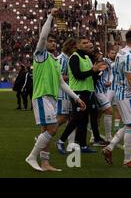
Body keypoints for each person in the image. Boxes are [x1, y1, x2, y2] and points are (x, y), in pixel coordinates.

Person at [25, 9, 86, 172]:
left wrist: (76, 98)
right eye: (50, 41)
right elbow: (43, 36)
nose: (52, 43)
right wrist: (51, 16)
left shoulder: (54, 60)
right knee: (53, 129)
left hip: (51, 98)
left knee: (46, 131)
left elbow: (61, 83)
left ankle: (45, 163)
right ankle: (32, 157)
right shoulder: (40, 54)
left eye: (54, 42)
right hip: (42, 96)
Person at [102, 30, 131, 168]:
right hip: (127, 95)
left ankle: (110, 147)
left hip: (119, 93)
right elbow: (130, 77)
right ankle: (127, 160)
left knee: (130, 124)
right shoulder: (127, 55)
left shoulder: (121, 52)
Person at [56, 37, 107, 154]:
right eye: (84, 43)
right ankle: (60, 141)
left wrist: (99, 71)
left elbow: (92, 76)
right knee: (76, 118)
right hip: (78, 92)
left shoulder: (87, 58)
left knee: (83, 120)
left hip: (88, 92)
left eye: (88, 42)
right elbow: (78, 75)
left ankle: (83, 145)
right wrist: (93, 70)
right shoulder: (74, 57)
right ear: (78, 45)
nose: (87, 44)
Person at [56, 38, 77, 145]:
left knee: (71, 118)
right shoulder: (61, 59)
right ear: (69, 47)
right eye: (74, 47)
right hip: (62, 93)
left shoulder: (67, 58)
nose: (75, 49)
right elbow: (57, 77)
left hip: (68, 92)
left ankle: (71, 143)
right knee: (63, 118)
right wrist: (72, 77)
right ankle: (43, 134)